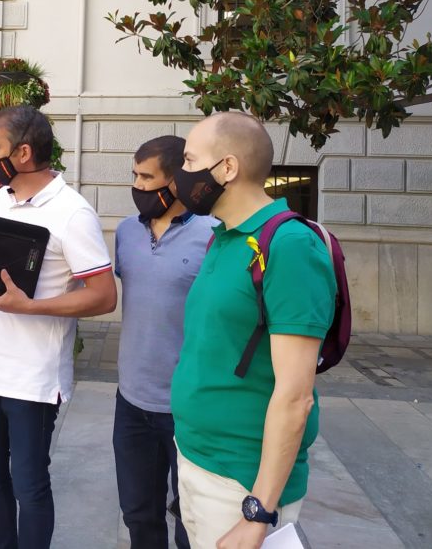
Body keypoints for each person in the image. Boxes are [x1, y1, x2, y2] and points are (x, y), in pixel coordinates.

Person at [170, 113, 335, 549]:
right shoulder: (224, 237)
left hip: (239, 483)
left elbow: (296, 395)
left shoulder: (290, 246)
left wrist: (258, 511)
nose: (181, 174)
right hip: (197, 459)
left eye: (189, 160)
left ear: (227, 168)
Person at [0, 105, 118, 549]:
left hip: (32, 379)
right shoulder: (3, 196)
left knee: (29, 485)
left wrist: (31, 307)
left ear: (24, 152)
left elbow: (104, 295)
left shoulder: (72, 213)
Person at [113, 136, 217, 549]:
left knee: (190, 522)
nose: (137, 186)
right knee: (139, 515)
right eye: (134, 176)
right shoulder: (125, 232)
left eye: (146, 177)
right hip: (131, 402)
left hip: (188, 407)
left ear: (175, 182)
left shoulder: (214, 235)